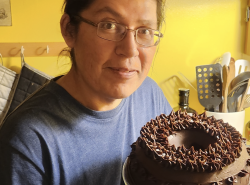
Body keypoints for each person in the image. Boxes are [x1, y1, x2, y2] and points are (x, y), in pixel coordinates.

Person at [0, 0, 171, 184]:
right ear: (69, 30)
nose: (130, 50)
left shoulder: (151, 94)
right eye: (109, 25)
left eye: (145, 30)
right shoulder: (28, 140)